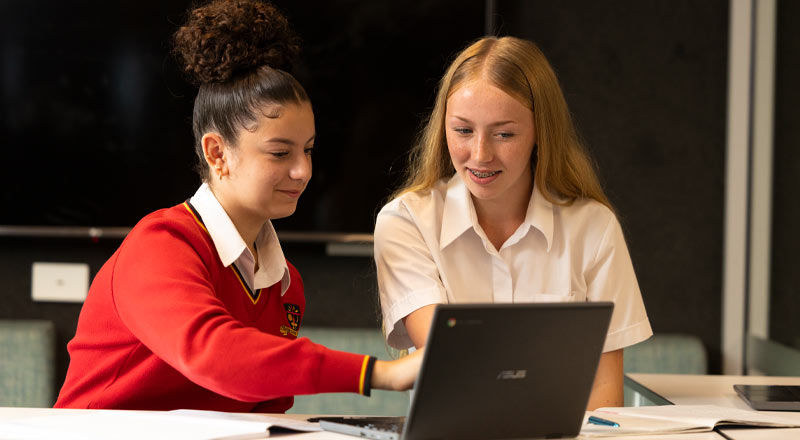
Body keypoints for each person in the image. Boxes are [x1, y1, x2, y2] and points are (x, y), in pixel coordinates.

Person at [55, 0, 420, 412]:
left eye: (309, 150)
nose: (303, 171)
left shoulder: (285, 284)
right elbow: (213, 353)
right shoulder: (161, 244)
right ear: (217, 153)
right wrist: (380, 373)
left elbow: (266, 408)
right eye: (280, 154)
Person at [373, 36, 652, 410]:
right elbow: (450, 358)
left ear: (541, 132)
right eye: (463, 130)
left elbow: (604, 399)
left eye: (504, 134)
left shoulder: (595, 228)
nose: (480, 154)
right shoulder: (405, 222)